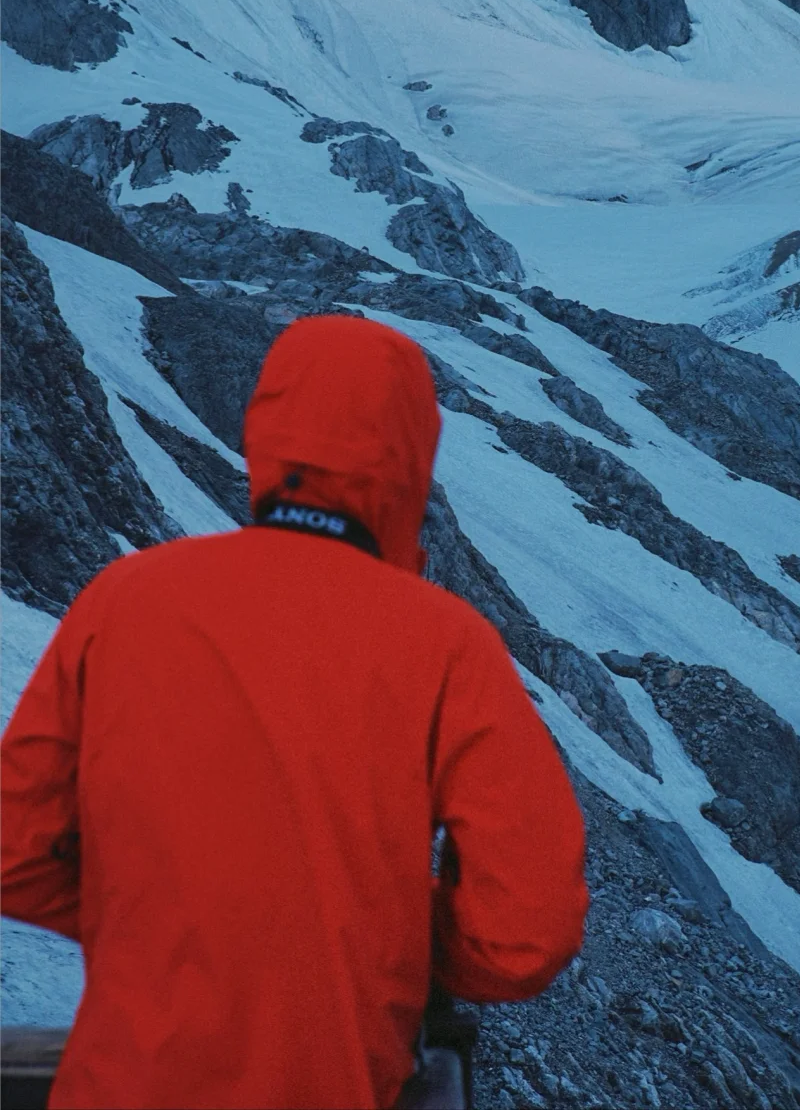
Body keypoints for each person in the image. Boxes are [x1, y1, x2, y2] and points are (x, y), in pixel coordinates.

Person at [2, 315, 589, 1109]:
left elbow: (13, 850)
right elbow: (526, 936)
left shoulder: (127, 597)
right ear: (411, 454)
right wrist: (363, 929)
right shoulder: (445, 643)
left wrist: (173, 917)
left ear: (266, 431)